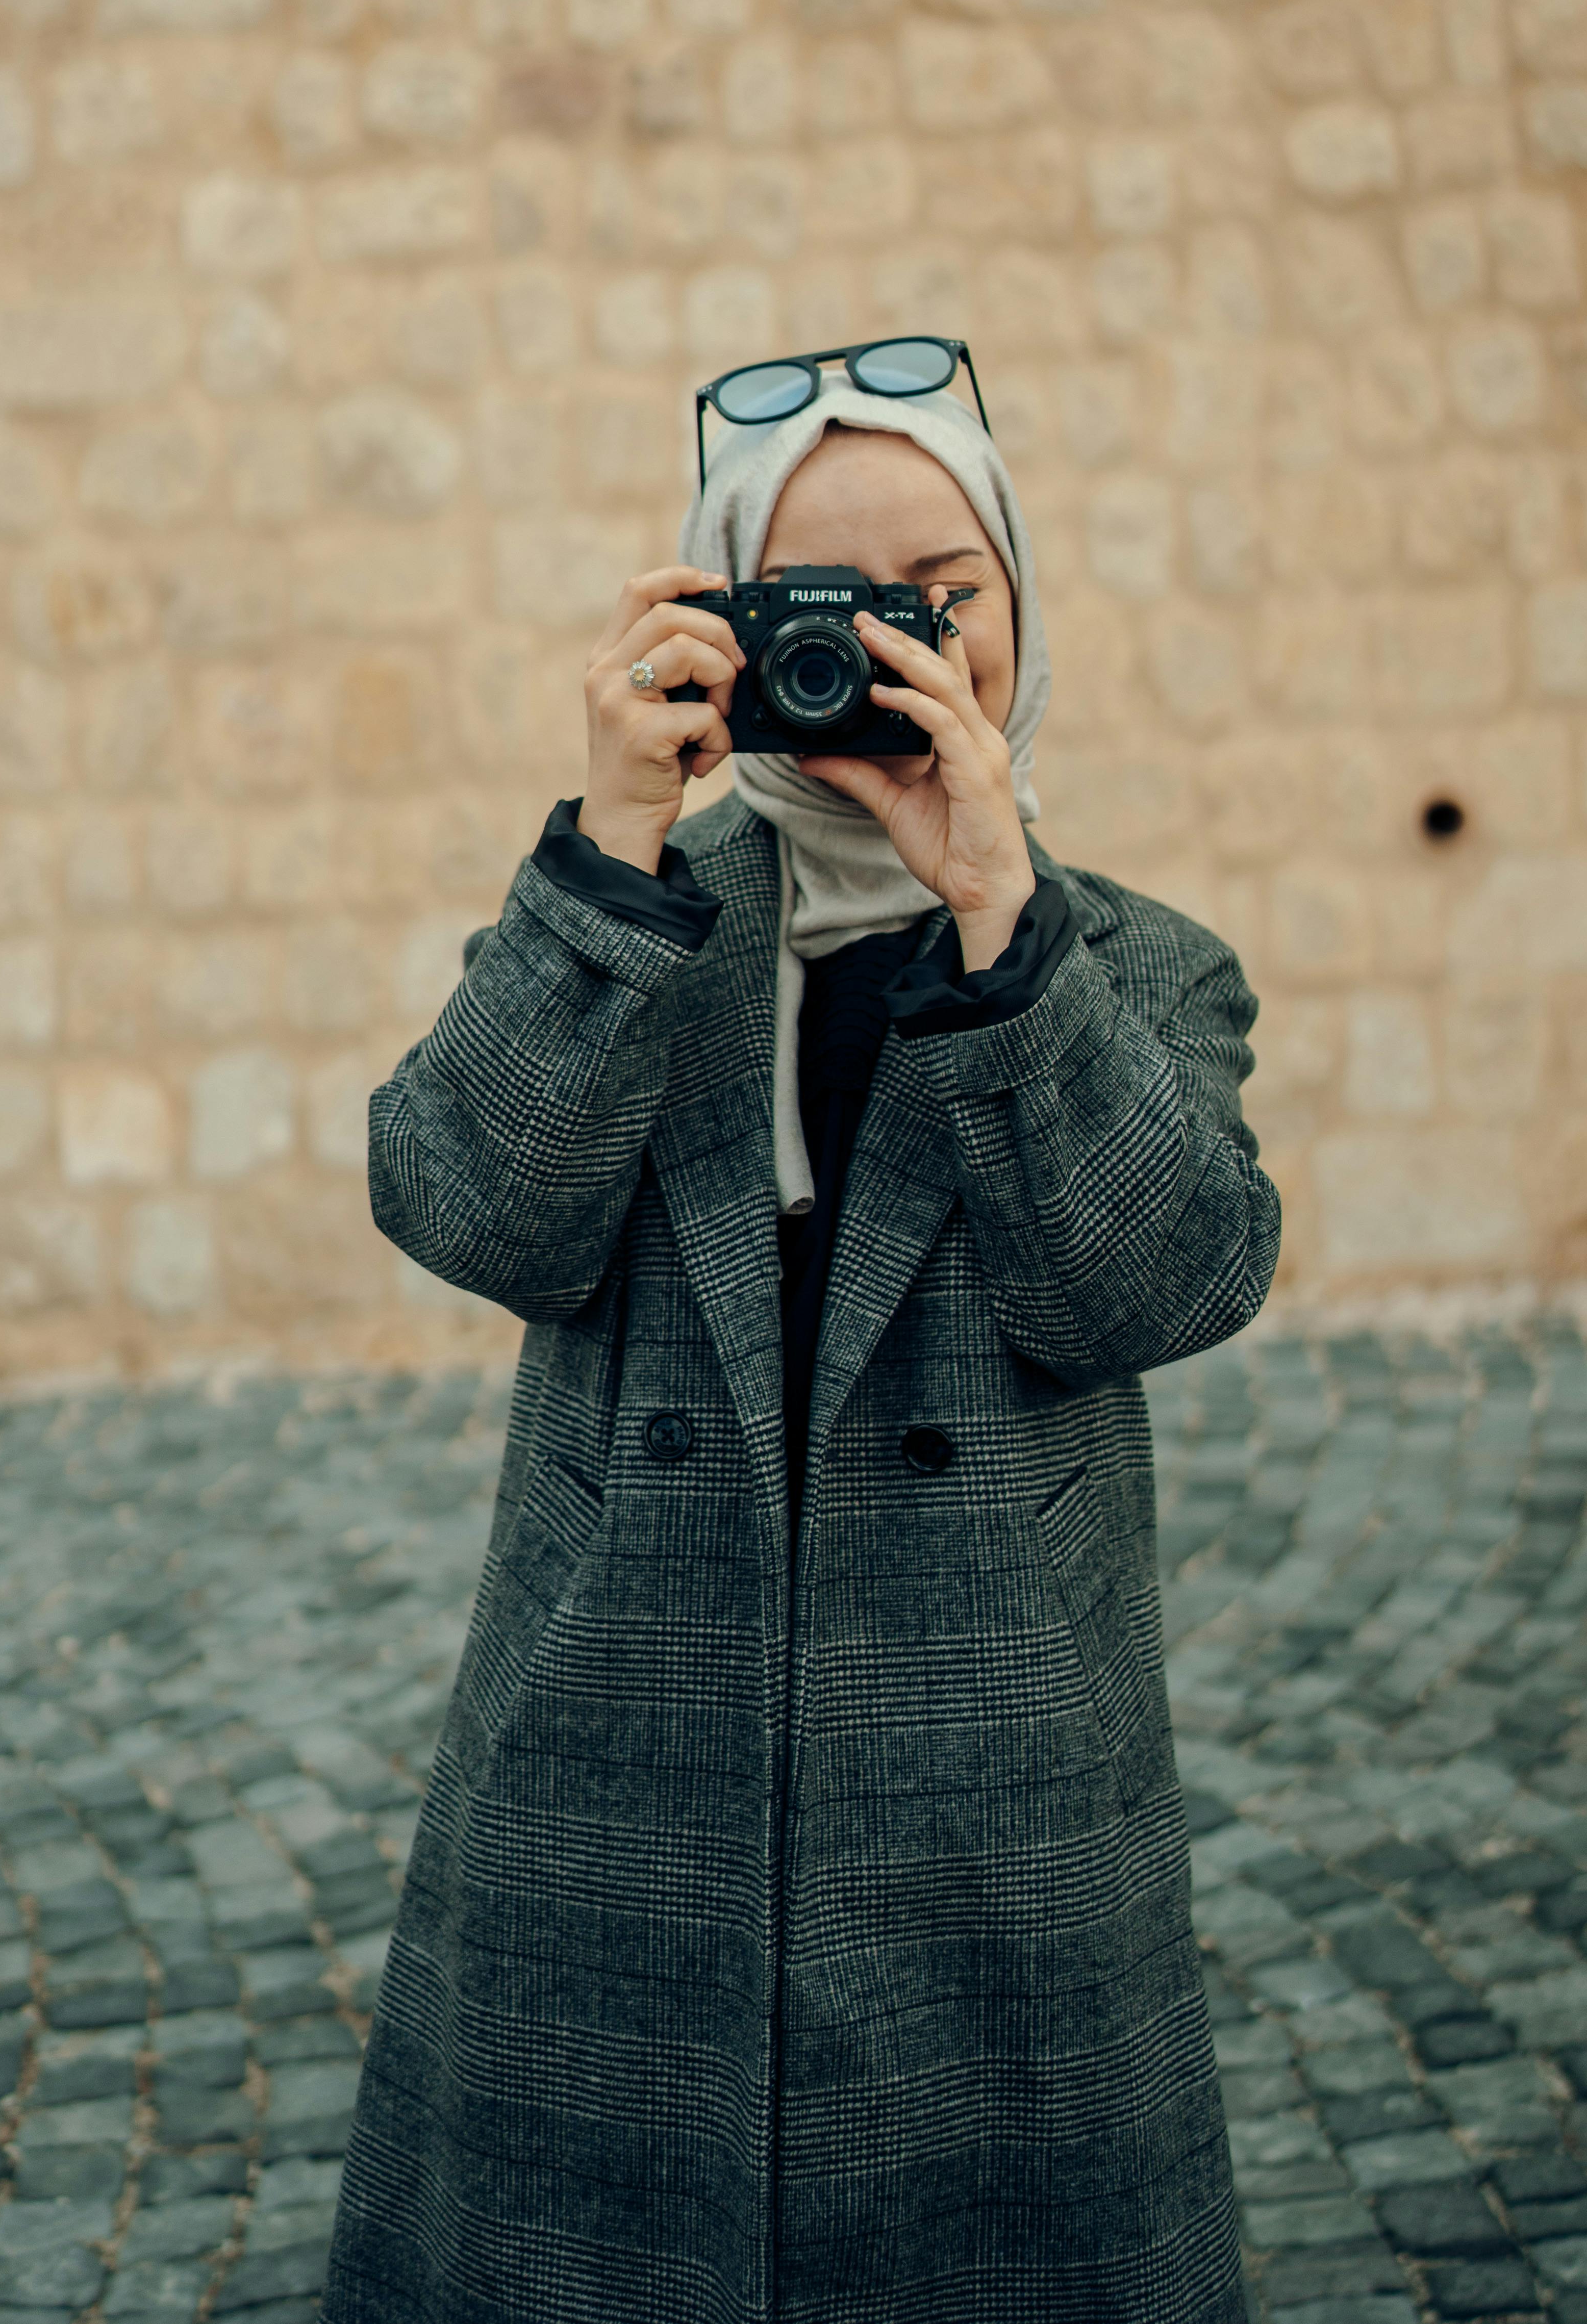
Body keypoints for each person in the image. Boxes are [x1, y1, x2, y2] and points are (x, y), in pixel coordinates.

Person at [322, 362, 1279, 2324]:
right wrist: (604, 849)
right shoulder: (631, 918)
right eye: (810, 608)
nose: (873, 653)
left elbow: (1163, 1281)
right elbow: (461, 1204)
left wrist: (1002, 927)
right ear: (714, 623)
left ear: (1018, 609)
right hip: (604, 1810)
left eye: (937, 596)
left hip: (1000, 1848)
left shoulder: (1134, 965)